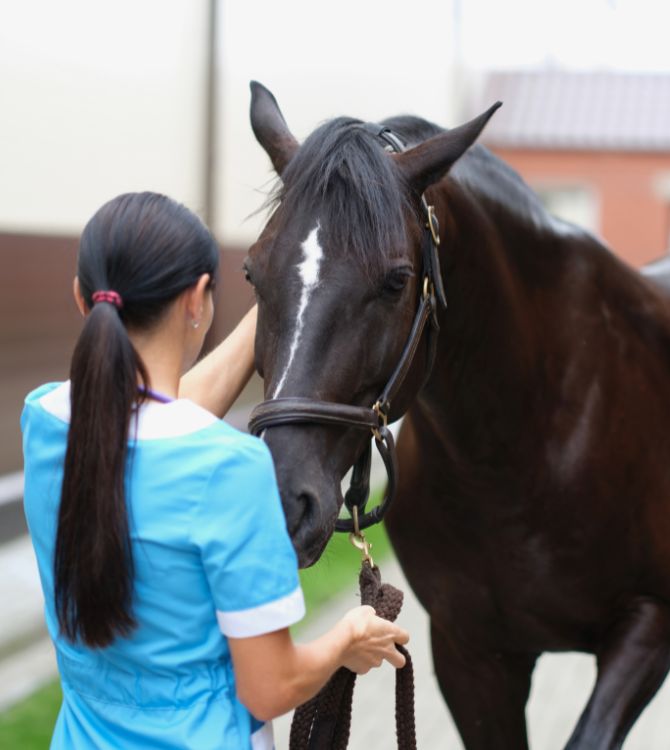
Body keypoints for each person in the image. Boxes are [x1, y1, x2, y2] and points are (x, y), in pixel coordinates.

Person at [21, 191, 409, 749]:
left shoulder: (46, 422)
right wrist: (348, 638)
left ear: (83, 298)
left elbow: (156, 419)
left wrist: (289, 298)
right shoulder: (229, 470)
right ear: (199, 300)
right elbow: (270, 687)